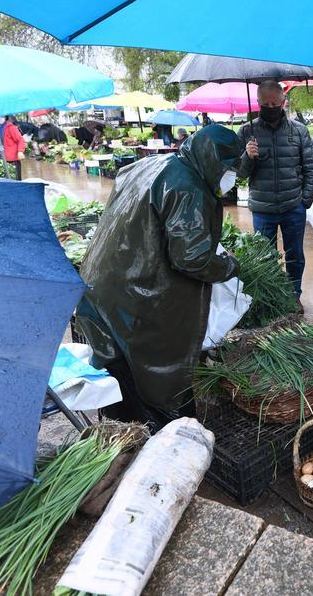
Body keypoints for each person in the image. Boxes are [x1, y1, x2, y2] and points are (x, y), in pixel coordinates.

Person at [74, 125, 243, 424]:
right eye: (229, 168)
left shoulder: (153, 164)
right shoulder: (187, 187)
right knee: (157, 378)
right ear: (212, 159)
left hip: (102, 285)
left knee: (121, 374)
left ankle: (125, 432)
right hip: (137, 297)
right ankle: (164, 434)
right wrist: (229, 266)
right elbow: (191, 259)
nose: (231, 176)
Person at [237, 80, 313, 306]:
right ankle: (273, 299)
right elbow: (240, 174)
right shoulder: (246, 132)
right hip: (263, 209)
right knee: (265, 257)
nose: (271, 107)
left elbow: (311, 167)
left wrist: (305, 201)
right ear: (258, 103)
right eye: (266, 103)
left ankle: (294, 296)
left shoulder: (299, 131)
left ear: (283, 102)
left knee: (295, 256)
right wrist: (246, 157)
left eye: (275, 103)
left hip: (293, 206)